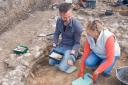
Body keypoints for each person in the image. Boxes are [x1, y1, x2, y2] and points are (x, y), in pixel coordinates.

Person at [49, 3, 83, 73]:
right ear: (60, 14)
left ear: (71, 13)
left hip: (71, 48)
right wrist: (54, 45)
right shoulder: (59, 21)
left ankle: (75, 56)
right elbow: (56, 34)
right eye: (64, 17)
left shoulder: (77, 26)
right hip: (62, 46)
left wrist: (71, 55)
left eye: (69, 16)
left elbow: (77, 43)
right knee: (51, 62)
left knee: (62, 68)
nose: (67, 19)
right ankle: (64, 58)